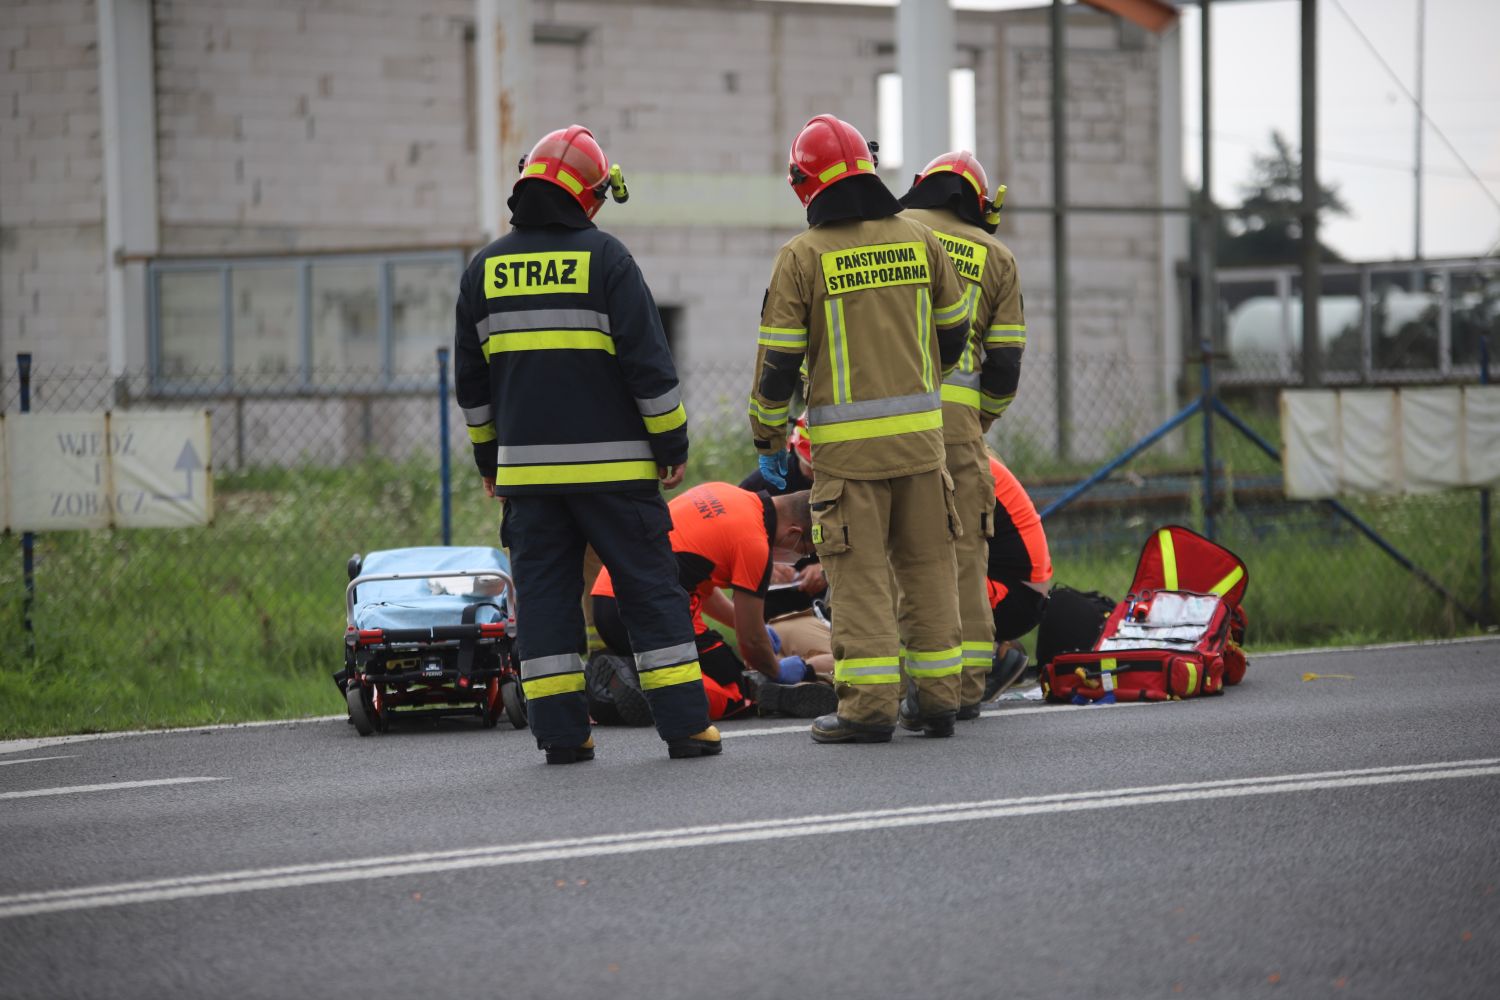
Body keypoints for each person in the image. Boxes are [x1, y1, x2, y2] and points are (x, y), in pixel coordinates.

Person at [453, 124, 720, 765]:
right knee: (650, 591)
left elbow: (474, 390)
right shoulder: (608, 261)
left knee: (545, 601)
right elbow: (649, 370)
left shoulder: (483, 270)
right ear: (585, 196)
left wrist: (490, 461)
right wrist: (670, 443)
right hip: (617, 476)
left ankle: (562, 736)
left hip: (529, 482)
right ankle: (686, 727)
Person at [749, 113, 972, 744]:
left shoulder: (803, 256)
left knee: (863, 576)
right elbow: (955, 334)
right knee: (930, 567)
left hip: (848, 461)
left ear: (806, 184)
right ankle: (936, 702)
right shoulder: (920, 240)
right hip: (925, 448)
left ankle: (869, 709)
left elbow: (777, 368)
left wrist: (769, 442)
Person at [898, 150, 1028, 720]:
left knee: (900, 554)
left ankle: (910, 687)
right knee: (967, 553)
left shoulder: (891, 234)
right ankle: (968, 688)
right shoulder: (997, 257)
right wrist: (981, 419)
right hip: (958, 427)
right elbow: (1004, 364)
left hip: (891, 421)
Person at [590, 482, 838, 721]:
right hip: (649, 612)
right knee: (735, 691)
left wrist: (752, 627)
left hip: (608, 600)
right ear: (794, 533)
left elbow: (699, 579)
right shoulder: (754, 544)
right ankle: (644, 682)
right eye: (806, 550)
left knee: (719, 666)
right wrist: (777, 670)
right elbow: (750, 641)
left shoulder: (726, 493)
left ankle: (618, 680)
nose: (800, 557)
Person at [982, 451, 1053, 700]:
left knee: (919, 578)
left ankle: (982, 665)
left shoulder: (964, 467)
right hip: (1024, 592)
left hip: (1014, 595)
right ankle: (996, 652)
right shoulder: (971, 454)